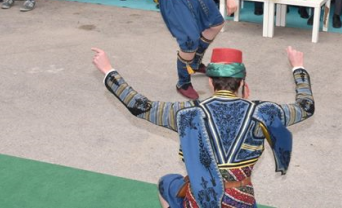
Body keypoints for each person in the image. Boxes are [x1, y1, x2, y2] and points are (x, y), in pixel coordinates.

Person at [91, 45, 314, 208]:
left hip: (201, 201)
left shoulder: (186, 113)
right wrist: (298, 67)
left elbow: (139, 106)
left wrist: (109, 70)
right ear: (242, 83)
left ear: (209, 82)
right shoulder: (264, 112)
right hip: (242, 200)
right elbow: (306, 107)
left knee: (167, 183)